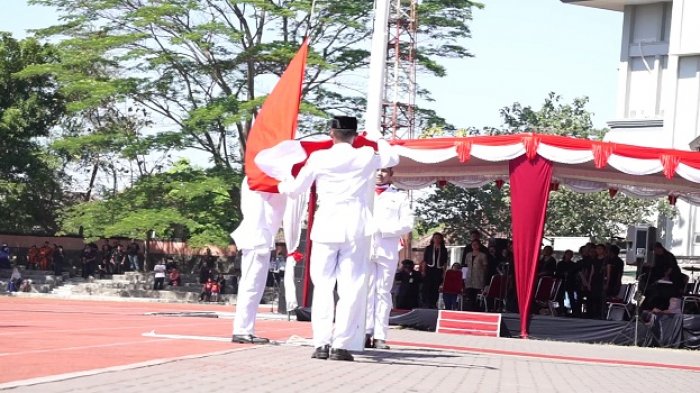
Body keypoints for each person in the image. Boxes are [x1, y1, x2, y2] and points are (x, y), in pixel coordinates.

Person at [278, 115, 397, 362]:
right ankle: (340, 345)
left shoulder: (319, 158)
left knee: (322, 287)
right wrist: (377, 137)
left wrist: (282, 180)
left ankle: (321, 343)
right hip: (355, 224)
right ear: (355, 135)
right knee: (351, 288)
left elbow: (294, 190)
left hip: (327, 224)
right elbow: (392, 158)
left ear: (331, 133)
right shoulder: (364, 154)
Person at [230, 176, 287, 345]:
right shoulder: (257, 179)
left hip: (260, 237)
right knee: (251, 285)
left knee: (255, 286)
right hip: (258, 238)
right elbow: (264, 213)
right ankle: (242, 330)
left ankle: (245, 328)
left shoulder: (259, 178)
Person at [364, 167, 414, 350]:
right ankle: (365, 331)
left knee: (383, 292)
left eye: (384, 170)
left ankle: (380, 335)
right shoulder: (364, 192)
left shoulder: (399, 196)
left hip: (387, 248)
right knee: (367, 292)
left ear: (391, 174)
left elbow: (408, 223)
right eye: (376, 169)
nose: (379, 173)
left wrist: (384, 230)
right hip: (365, 249)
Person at [421, 232, 448, 309]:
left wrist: (444, 272)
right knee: (427, 286)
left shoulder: (444, 249)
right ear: (433, 239)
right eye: (435, 238)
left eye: (439, 238)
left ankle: (433, 303)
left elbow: (445, 262)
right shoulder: (428, 248)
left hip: (438, 270)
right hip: (429, 269)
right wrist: (423, 270)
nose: (437, 239)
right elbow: (425, 260)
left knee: (435, 287)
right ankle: (426, 303)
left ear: (441, 239)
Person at [462, 239, 489, 311]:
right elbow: (465, 266)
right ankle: (470, 309)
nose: (474, 246)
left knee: (476, 295)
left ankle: (476, 309)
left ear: (479, 245)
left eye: (476, 244)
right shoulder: (468, 255)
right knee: (469, 294)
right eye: (473, 244)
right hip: (469, 278)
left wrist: (483, 277)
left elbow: (485, 267)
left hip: (478, 277)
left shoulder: (483, 255)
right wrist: (464, 277)